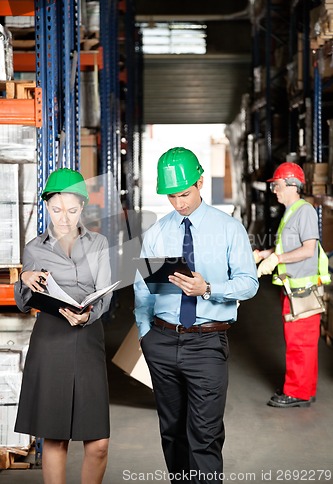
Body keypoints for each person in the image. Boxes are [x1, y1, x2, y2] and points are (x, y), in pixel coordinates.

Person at [134, 147, 258, 484]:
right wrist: (146, 334)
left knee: (204, 434)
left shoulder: (229, 229)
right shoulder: (158, 232)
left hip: (207, 342)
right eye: (171, 196)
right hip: (161, 340)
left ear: (200, 182)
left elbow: (249, 284)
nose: (179, 203)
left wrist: (208, 288)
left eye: (184, 194)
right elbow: (142, 288)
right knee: (172, 432)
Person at [14, 168, 113, 484]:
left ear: (82, 207)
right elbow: (23, 302)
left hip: (87, 341)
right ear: (47, 206)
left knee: (98, 442)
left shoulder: (98, 243)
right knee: (55, 437)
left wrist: (88, 314)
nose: (64, 218)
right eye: (57, 210)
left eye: (71, 210)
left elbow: (105, 295)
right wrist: (24, 279)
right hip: (51, 341)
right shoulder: (34, 248)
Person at [255, 162, 330, 408]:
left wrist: (277, 259)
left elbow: (308, 250)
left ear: (291, 185)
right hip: (293, 288)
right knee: (300, 341)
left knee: (300, 343)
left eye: (277, 185)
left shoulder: (304, 210)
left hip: (302, 289)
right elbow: (287, 248)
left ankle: (297, 392)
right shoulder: (290, 212)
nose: (274, 190)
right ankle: (303, 387)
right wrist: (265, 254)